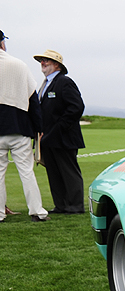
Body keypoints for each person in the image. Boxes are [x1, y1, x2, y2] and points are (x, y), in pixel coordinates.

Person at [0, 30, 47, 222]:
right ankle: (37, 211)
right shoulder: (19, 64)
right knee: (27, 172)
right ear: (2, 43)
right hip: (19, 127)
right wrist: (38, 128)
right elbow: (33, 100)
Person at [34, 48, 84, 215]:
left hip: (64, 138)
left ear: (57, 65)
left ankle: (75, 206)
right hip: (47, 139)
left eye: (46, 60)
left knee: (68, 172)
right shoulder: (44, 85)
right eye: (41, 60)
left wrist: (59, 128)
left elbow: (76, 108)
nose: (42, 63)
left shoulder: (64, 82)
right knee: (54, 173)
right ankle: (61, 205)